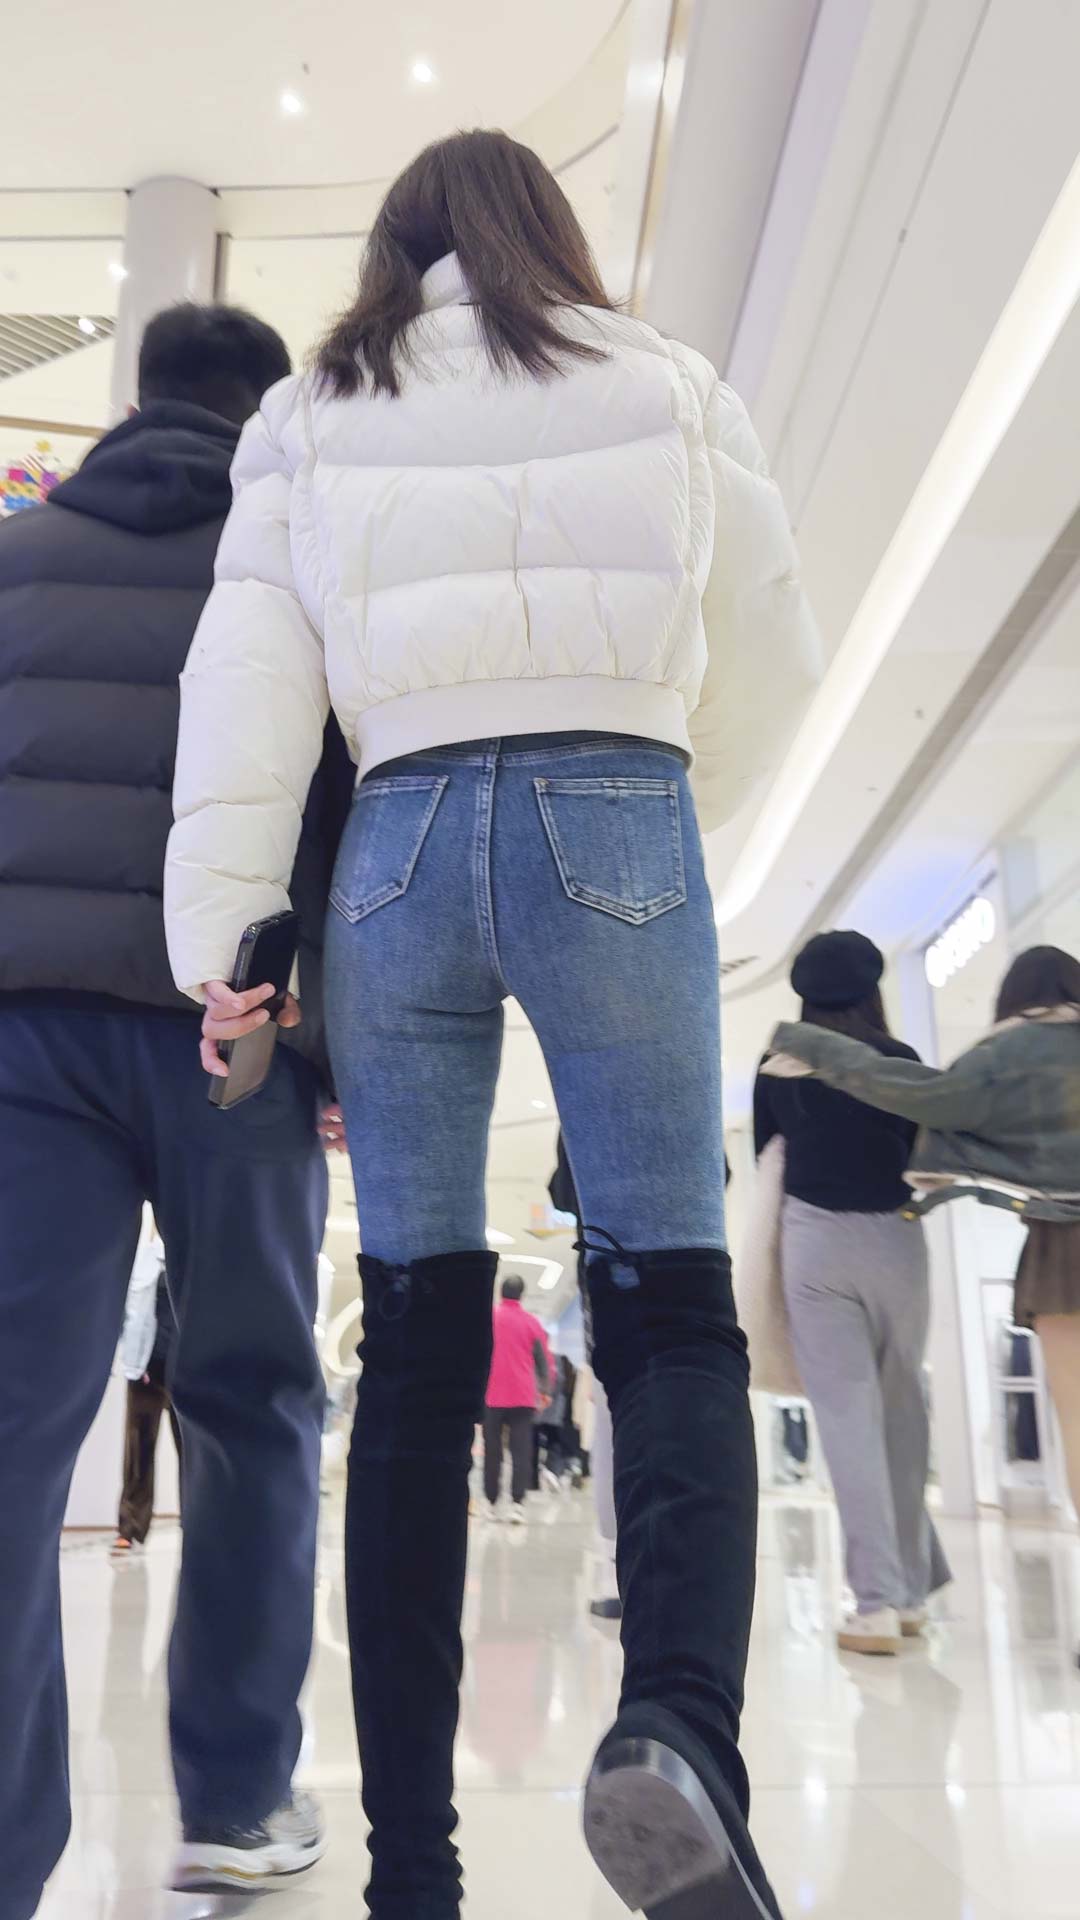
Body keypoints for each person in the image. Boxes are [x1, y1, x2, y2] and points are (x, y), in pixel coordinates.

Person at [165, 128, 821, 1920]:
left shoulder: (312, 410)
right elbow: (773, 650)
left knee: (415, 1346)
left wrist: (225, 945)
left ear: (397, 252)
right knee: (669, 1302)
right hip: (618, 806)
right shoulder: (663, 378)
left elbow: (248, 689)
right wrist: (671, 806)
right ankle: (677, 1732)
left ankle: (412, 1869)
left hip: (396, 847)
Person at [0, 304, 353, 1915]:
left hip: (25, 1043)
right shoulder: (296, 569)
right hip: (240, 1032)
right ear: (267, 413)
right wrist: (336, 1050)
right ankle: (235, 1799)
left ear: (128, 402)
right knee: (254, 1402)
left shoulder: (14, 560)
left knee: (13, 1429)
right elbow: (350, 819)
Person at [770, 943, 1080, 1566]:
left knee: (1074, 1420)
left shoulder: (1009, 1052)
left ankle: (879, 1590)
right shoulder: (927, 1053)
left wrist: (809, 1045)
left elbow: (925, 1099)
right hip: (905, 1239)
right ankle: (908, 1577)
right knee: (901, 1400)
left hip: (1058, 1252)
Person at [755, 932, 951, 1656]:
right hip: (897, 1237)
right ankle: (909, 1599)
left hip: (815, 1242)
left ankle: (875, 1603)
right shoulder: (899, 1061)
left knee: (847, 1420)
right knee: (904, 1411)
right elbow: (925, 1148)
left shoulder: (779, 1062)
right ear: (872, 989)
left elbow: (766, 1156)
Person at [115, 1235, 181, 1552]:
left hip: (186, 1372)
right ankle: (129, 1527)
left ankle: (195, 1525)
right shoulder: (143, 1260)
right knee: (138, 1452)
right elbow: (127, 1313)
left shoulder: (196, 1259)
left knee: (194, 1455)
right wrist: (130, 1358)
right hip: (146, 1368)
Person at [483, 1275, 554, 1523]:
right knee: (521, 1451)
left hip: (491, 1395)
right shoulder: (531, 1322)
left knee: (492, 1452)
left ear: (500, 1292)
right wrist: (545, 1390)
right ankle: (517, 1505)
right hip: (523, 1396)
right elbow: (543, 1360)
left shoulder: (489, 1317)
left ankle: (491, 1503)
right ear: (521, 1295)